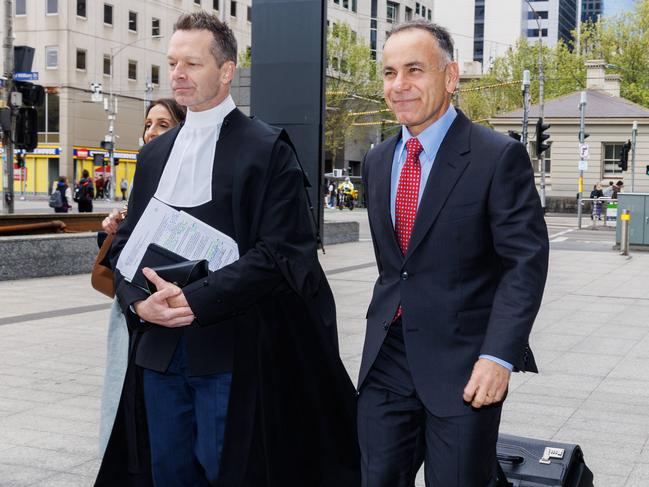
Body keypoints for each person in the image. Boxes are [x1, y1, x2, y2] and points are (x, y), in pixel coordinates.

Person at [96, 11, 359, 487]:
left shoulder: (267, 149)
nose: (178, 73)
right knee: (168, 474)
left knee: (231, 473)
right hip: (158, 350)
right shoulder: (154, 154)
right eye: (173, 62)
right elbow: (127, 248)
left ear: (227, 71)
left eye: (192, 64)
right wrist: (140, 302)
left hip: (231, 351)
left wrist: (191, 301)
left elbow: (282, 253)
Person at [358, 20, 549, 486]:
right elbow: (397, 268)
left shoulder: (495, 156)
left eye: (414, 70)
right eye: (388, 73)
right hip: (388, 360)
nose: (398, 85)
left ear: (450, 76)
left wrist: (498, 357)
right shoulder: (378, 161)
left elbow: (524, 263)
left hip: (464, 367)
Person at [97, 97, 187, 457]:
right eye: (148, 125)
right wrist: (117, 228)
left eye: (163, 125)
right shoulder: (146, 175)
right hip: (134, 310)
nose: (151, 133)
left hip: (171, 312)